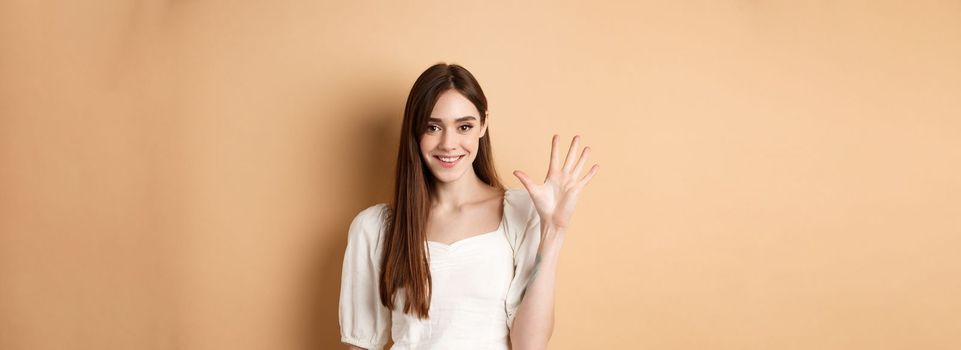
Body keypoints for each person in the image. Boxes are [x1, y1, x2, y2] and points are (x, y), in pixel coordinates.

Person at [339, 63, 599, 350]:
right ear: (414, 130)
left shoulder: (520, 212)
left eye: (464, 126)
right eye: (433, 127)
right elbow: (360, 345)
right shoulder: (375, 228)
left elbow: (530, 344)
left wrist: (554, 231)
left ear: (483, 125)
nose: (449, 143)